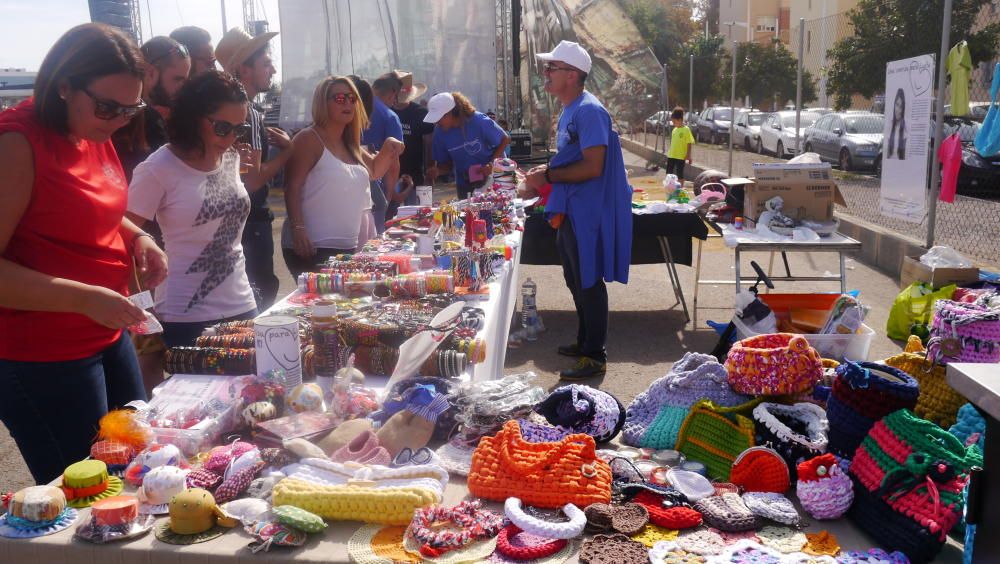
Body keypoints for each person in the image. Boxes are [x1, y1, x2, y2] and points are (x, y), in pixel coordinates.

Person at [0, 23, 168, 484]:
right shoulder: (17, 143)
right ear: (63, 86)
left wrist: (140, 238)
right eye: (108, 106)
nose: (118, 120)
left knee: (136, 464)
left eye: (129, 108)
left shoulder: (91, 128)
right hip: (44, 354)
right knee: (86, 494)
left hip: (106, 334)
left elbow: (98, 209)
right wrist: (85, 297)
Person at [522, 40, 632, 381]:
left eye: (551, 68)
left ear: (572, 74)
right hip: (571, 209)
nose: (545, 73)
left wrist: (548, 175)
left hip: (589, 212)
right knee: (574, 278)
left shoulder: (590, 111)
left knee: (588, 282)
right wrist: (544, 175)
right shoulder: (571, 109)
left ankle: (594, 355)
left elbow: (593, 166)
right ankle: (584, 341)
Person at [127, 70, 258, 348]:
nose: (232, 137)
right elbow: (120, 238)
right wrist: (141, 308)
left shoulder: (230, 157)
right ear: (194, 118)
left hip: (242, 304)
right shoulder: (158, 168)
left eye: (240, 129)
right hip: (183, 315)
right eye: (223, 127)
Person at [281, 76, 404, 277]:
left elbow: (375, 171)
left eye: (352, 98)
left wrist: (390, 144)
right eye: (339, 98)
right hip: (313, 246)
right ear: (323, 102)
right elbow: (291, 187)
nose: (347, 103)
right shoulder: (308, 139)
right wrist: (298, 228)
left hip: (346, 248)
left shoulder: (350, 144)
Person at [216, 27, 292, 311]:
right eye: (266, 62)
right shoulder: (249, 113)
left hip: (231, 223)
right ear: (244, 70)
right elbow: (254, 179)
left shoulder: (219, 112)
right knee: (260, 292)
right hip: (252, 223)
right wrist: (289, 152)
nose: (273, 69)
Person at [113, 36, 191, 181]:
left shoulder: (119, 112)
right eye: (178, 79)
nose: (184, 88)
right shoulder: (146, 119)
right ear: (150, 73)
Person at [425, 92, 510, 199]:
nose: (436, 123)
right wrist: (438, 171)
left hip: (494, 180)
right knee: (467, 214)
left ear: (450, 113)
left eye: (438, 118)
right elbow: (447, 165)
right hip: (465, 185)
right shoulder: (439, 133)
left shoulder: (478, 121)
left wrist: (491, 165)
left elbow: (504, 139)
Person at [388, 70, 433, 212]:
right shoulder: (385, 111)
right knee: (388, 216)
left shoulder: (421, 113)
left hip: (416, 175)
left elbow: (429, 145)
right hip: (389, 176)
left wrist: (429, 174)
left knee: (417, 216)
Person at [367, 74, 406, 233]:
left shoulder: (354, 109)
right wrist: (389, 196)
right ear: (391, 93)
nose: (395, 102)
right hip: (376, 187)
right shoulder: (390, 116)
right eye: (395, 97)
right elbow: (393, 162)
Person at [666, 106, 694, 180]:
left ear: (680, 120)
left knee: (679, 173)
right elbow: (673, 143)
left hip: (681, 156)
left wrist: (688, 155)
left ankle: (680, 189)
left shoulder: (686, 130)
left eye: (674, 122)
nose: (674, 124)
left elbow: (689, 143)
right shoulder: (674, 130)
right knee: (668, 173)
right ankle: (669, 187)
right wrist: (669, 152)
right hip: (672, 155)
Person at [887, 88, 907, 160]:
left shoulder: (904, 129)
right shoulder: (890, 125)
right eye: (897, 104)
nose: (898, 110)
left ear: (903, 109)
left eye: (901, 107)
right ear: (894, 104)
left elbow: (904, 156)